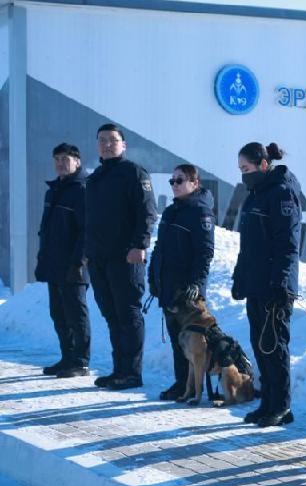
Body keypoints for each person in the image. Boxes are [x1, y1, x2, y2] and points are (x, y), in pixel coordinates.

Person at [231, 142, 302, 428]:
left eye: (246, 168)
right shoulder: (255, 195)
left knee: (275, 346)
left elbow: (288, 244)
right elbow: (248, 244)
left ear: (263, 165)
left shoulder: (282, 192)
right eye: (240, 169)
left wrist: (280, 283)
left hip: (275, 285)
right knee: (260, 346)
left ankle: (282, 405)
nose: (243, 175)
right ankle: (268, 402)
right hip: (256, 282)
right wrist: (240, 276)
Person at [85, 123, 157, 390]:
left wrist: (140, 244)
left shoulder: (134, 173)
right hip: (99, 258)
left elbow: (147, 212)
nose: (107, 144)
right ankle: (119, 370)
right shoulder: (95, 178)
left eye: (112, 140)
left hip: (125, 256)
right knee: (111, 315)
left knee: (128, 314)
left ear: (123, 145)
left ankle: (132, 373)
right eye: (102, 140)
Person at [149, 164, 216, 401]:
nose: (175, 185)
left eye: (180, 180)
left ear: (194, 183)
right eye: (172, 181)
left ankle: (194, 387)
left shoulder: (200, 212)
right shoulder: (171, 212)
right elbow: (160, 248)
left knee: (190, 341)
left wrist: (196, 283)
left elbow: (205, 252)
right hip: (168, 286)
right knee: (178, 340)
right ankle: (182, 384)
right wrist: (153, 276)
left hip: (187, 291)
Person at [34, 143, 91, 378]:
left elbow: (86, 231)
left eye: (65, 159)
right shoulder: (53, 191)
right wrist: (42, 260)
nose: (60, 163)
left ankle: (80, 361)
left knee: (76, 314)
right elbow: (46, 230)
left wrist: (79, 262)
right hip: (54, 263)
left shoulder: (82, 189)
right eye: (57, 159)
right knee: (58, 313)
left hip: (74, 265)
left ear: (77, 161)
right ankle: (67, 357)